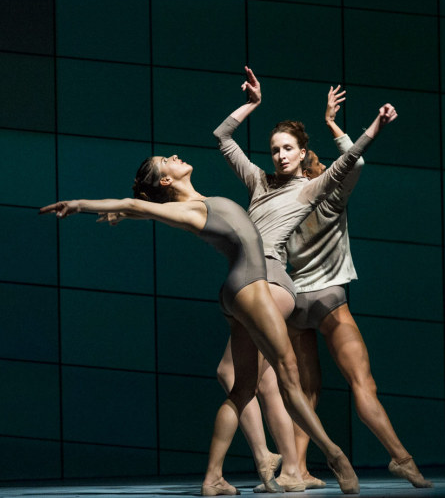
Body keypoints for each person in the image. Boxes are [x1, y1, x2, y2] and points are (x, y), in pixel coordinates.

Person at [39, 136, 366, 495]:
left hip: (237, 293)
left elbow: (140, 206)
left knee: (242, 388)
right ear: (166, 180)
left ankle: (213, 478)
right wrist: (79, 204)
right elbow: (137, 202)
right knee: (288, 377)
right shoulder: (190, 209)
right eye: (167, 160)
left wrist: (125, 212)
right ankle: (335, 457)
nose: (175, 155)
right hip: (252, 288)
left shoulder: (195, 203)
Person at [214, 67, 397, 492]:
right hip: (247, 279)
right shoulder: (258, 182)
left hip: (273, 282)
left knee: (264, 377)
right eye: (275, 148)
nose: (279, 155)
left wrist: (372, 126)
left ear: (301, 152)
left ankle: (287, 463)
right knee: (259, 378)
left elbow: (350, 161)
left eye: (288, 148)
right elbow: (223, 138)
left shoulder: (310, 190)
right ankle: (289, 466)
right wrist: (252, 105)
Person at [283, 86, 432, 489]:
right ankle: (401, 459)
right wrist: (333, 124)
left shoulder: (282, 200)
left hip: (295, 302)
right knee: (363, 384)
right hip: (330, 298)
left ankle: (295, 469)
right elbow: (356, 162)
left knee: (307, 392)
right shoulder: (331, 198)